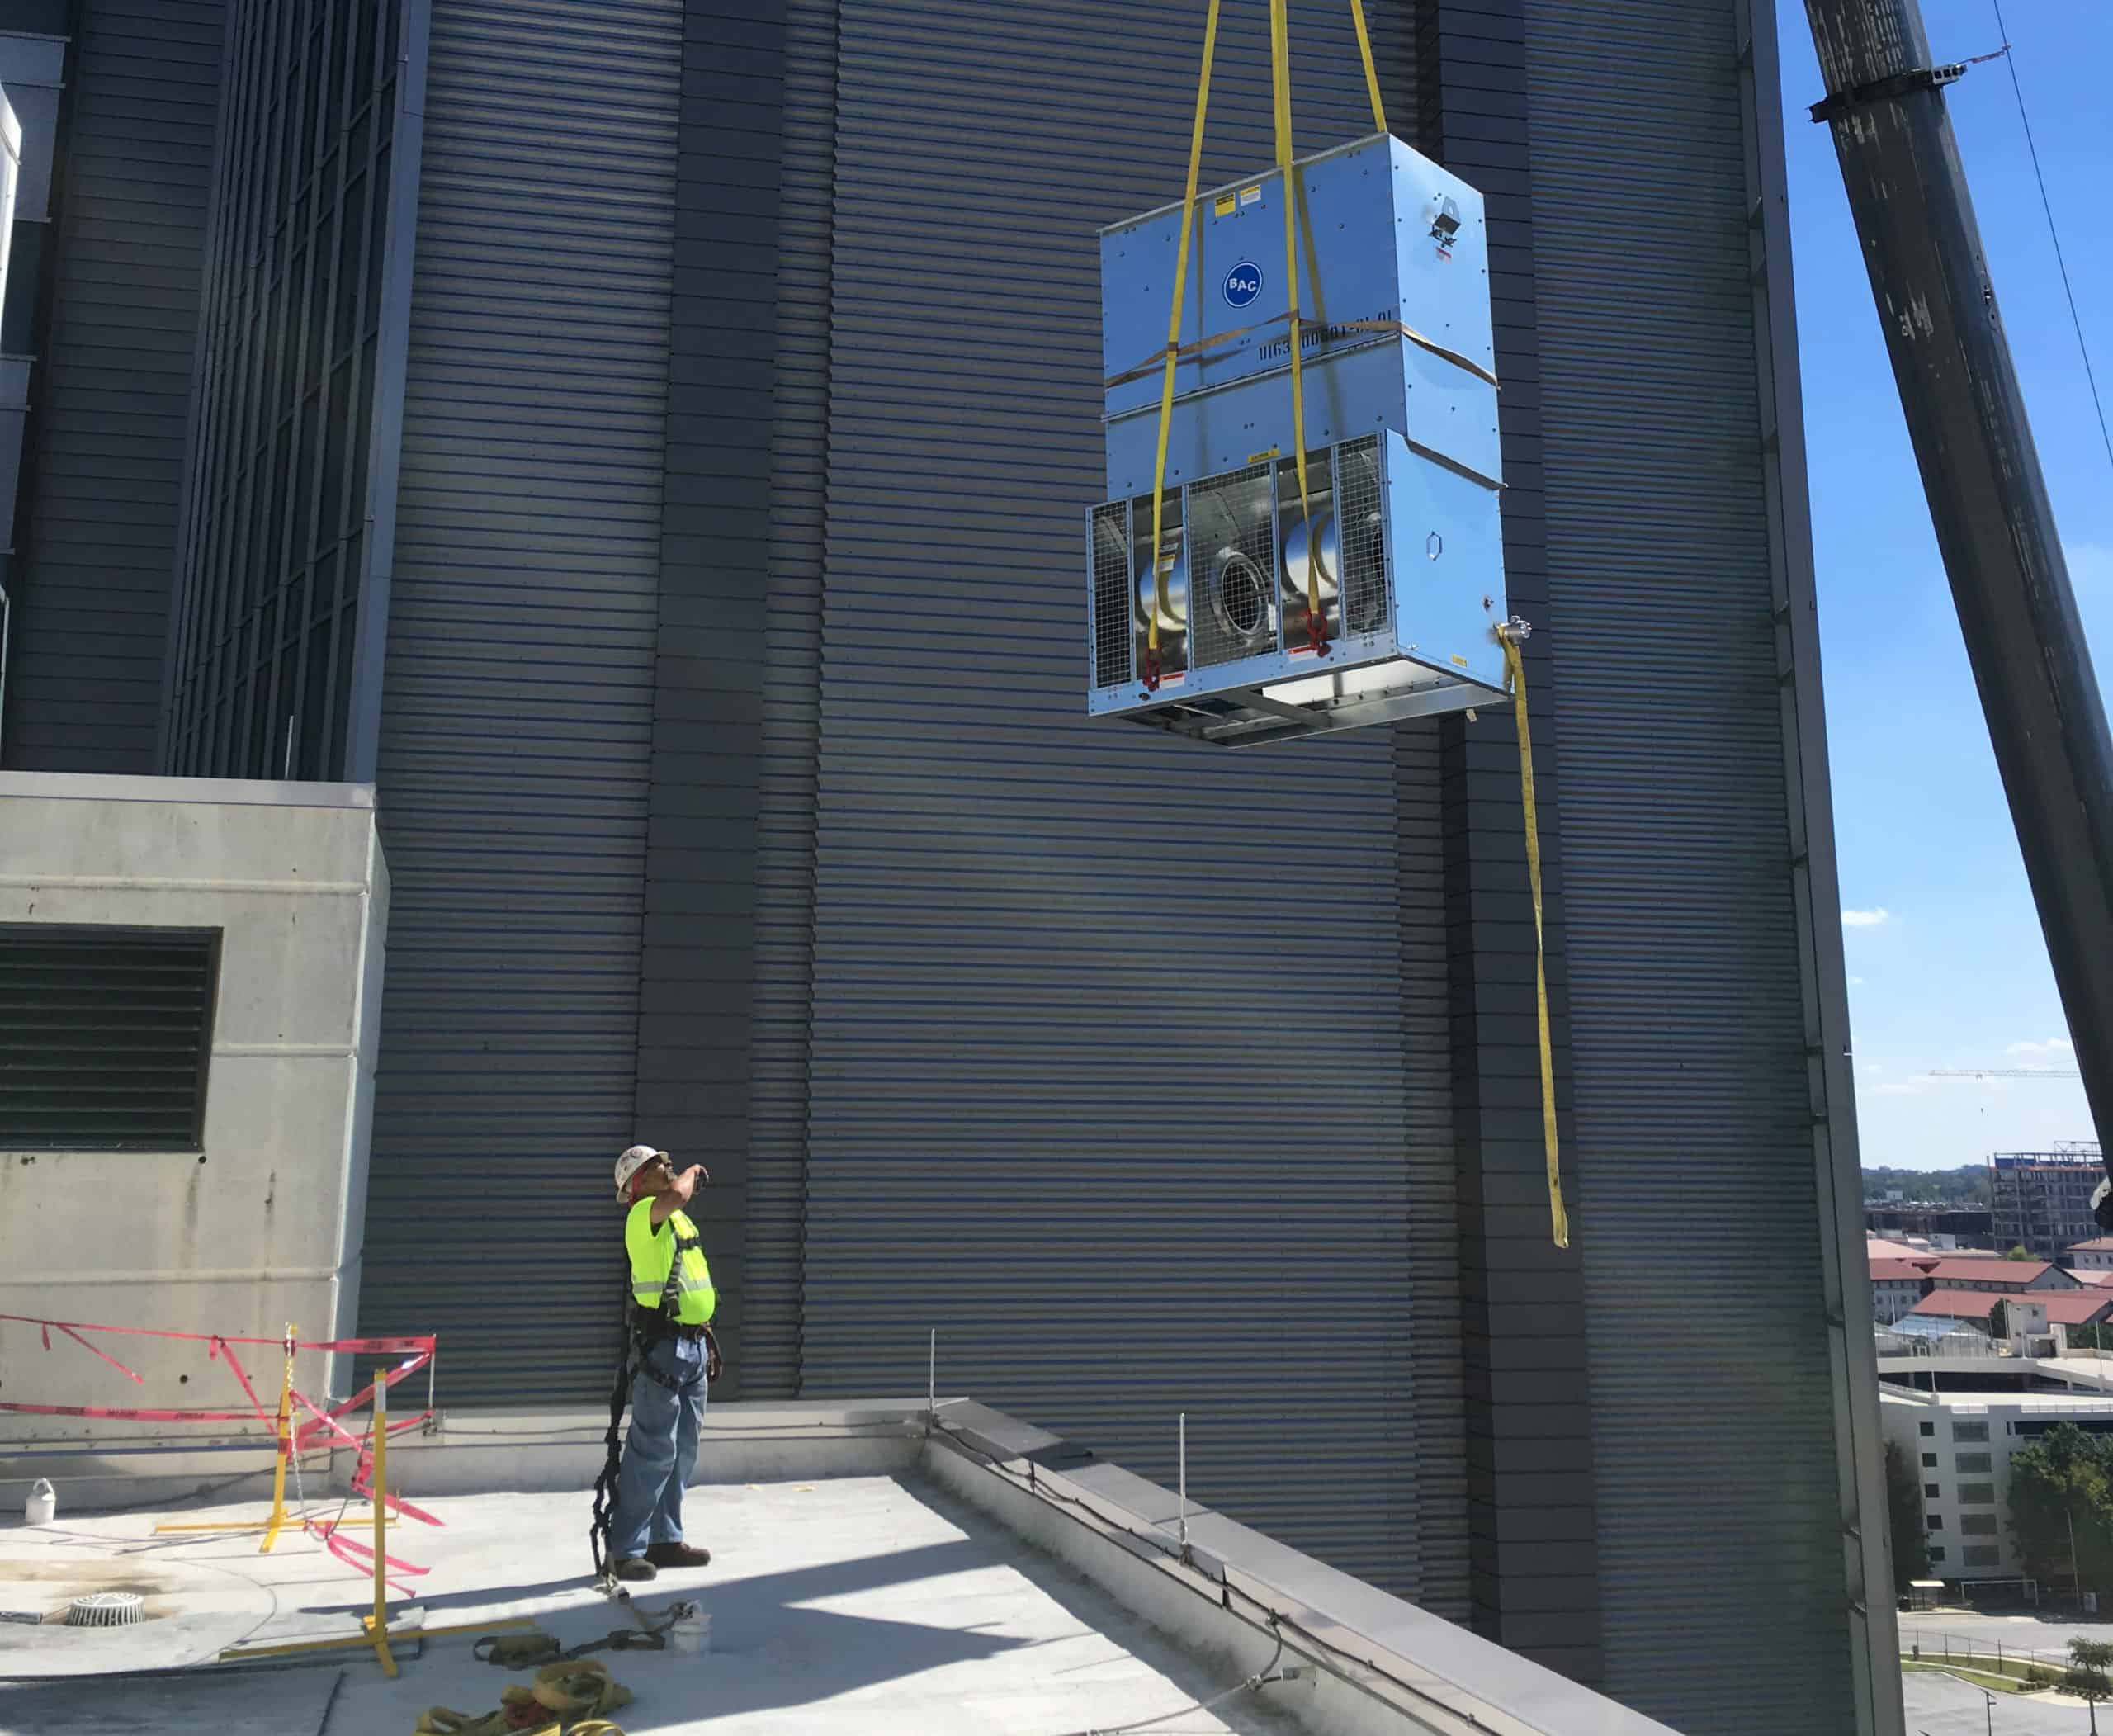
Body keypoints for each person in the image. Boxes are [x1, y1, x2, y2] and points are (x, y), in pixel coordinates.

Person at [606, 1143, 721, 1582]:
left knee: (682, 1451)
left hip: (693, 1346)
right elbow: (678, 1193)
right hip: (665, 1349)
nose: (668, 1167)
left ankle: (665, 1540)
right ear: (638, 1183)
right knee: (652, 1450)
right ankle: (626, 1549)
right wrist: (691, 1171)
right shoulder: (644, 1214)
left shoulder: (674, 1218)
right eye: (658, 1165)